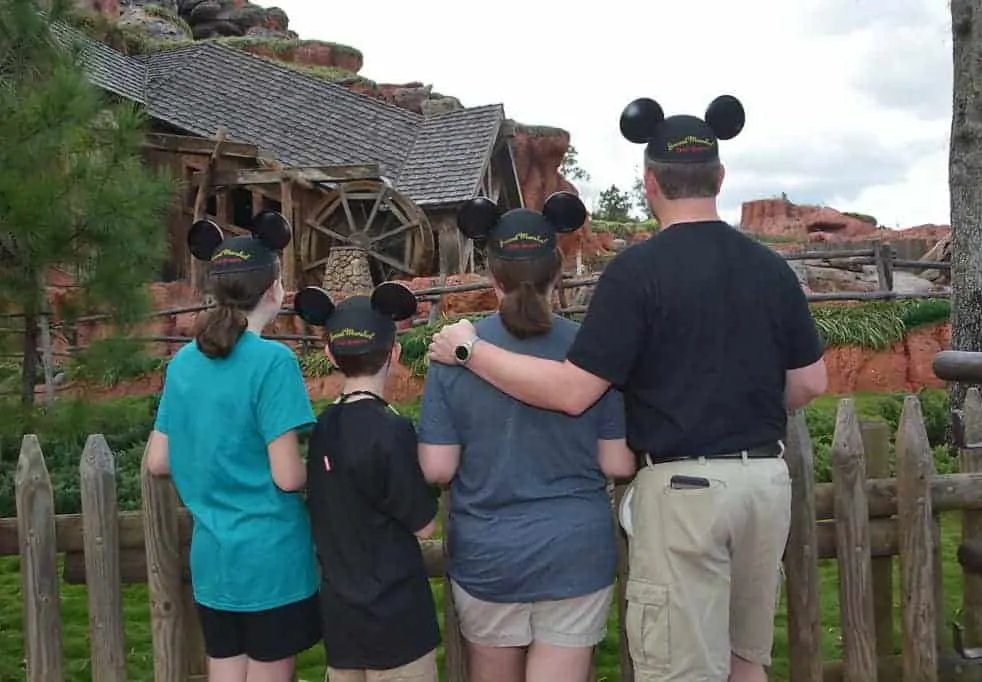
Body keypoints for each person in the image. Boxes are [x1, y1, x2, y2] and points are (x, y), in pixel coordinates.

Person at [427, 96, 828, 682]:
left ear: (650, 183)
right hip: (764, 482)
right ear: (719, 176)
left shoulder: (638, 272)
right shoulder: (770, 267)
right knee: (746, 659)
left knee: (681, 667)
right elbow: (810, 381)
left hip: (687, 487)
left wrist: (470, 350)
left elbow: (572, 392)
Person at [417, 192, 635, 682]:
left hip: (489, 555)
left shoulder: (455, 352)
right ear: (556, 273)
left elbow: (437, 468)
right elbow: (618, 463)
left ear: (492, 276)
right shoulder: (590, 349)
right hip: (575, 550)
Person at [144, 212, 321, 682]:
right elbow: (287, 476)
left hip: (214, 562)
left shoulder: (183, 363)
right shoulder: (274, 362)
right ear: (273, 292)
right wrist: (327, 469)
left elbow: (157, 460)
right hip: (270, 559)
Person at [293, 282, 441, 682]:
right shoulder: (392, 430)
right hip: (396, 620)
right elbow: (425, 523)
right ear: (393, 354)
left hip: (342, 621)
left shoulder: (323, 426)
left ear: (330, 354)